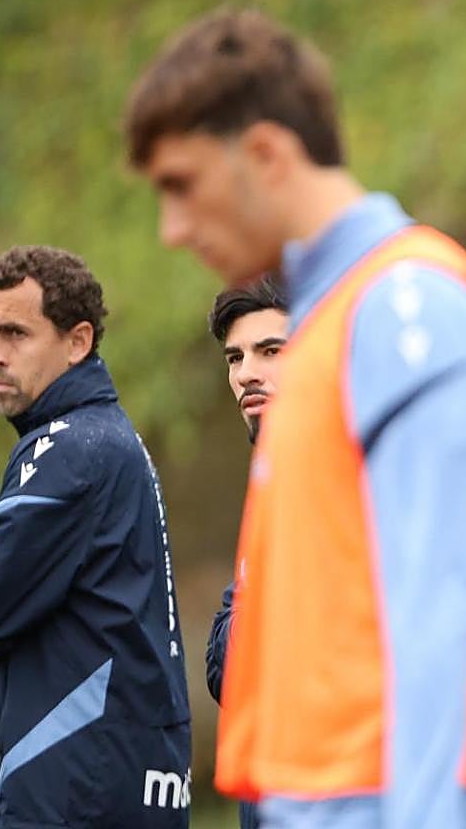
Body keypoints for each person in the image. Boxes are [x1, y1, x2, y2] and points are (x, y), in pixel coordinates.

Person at [124, 8, 466, 829]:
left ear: (264, 154)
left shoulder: (406, 310)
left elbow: (441, 615)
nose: (172, 230)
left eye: (181, 186)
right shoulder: (338, 320)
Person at [0, 246, 192, 826]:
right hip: (110, 778)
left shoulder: (71, 450)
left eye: (14, 333)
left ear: (77, 341)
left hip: (81, 788)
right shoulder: (96, 439)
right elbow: (25, 602)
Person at [204, 277, 289, 829]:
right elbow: (224, 668)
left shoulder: (357, 481)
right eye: (236, 357)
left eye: (271, 351)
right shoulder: (271, 484)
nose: (245, 374)